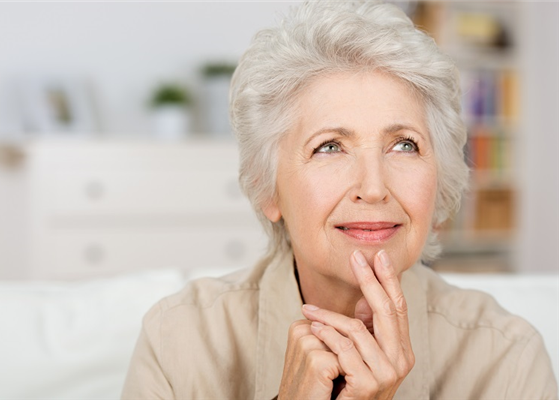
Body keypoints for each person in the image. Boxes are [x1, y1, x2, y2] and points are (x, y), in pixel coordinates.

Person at [122, 1, 558, 399]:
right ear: (267, 187)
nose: (373, 188)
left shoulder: (507, 359)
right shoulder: (179, 339)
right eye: (329, 146)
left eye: (404, 145)